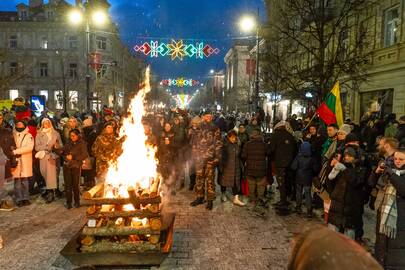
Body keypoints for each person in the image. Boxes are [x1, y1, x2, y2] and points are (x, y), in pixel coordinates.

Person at [369, 148, 405, 269]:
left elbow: (403, 189)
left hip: (400, 221)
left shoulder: (393, 174)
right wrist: (376, 172)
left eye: (401, 159)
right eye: (395, 159)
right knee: (382, 248)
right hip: (384, 217)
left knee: (396, 253)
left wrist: (391, 174)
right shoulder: (390, 172)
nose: (397, 161)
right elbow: (371, 184)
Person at [327, 147, 367, 239]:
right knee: (332, 233)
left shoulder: (360, 169)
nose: (347, 158)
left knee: (348, 235)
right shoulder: (341, 166)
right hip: (337, 204)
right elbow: (330, 181)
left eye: (350, 156)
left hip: (351, 205)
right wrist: (331, 167)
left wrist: (345, 170)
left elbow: (355, 182)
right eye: (346, 156)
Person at [190, 110, 222, 210]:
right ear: (203, 117)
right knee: (199, 178)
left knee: (210, 180)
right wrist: (194, 154)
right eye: (206, 116)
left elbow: (218, 143)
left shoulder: (215, 128)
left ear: (211, 117)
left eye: (210, 116)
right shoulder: (198, 126)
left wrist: (217, 157)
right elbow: (194, 142)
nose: (208, 117)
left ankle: (210, 200)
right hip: (199, 157)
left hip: (210, 158)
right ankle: (199, 197)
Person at [269, 120, 297, 214]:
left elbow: (271, 149)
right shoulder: (290, 136)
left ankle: (283, 201)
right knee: (287, 181)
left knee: (281, 182)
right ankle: (287, 198)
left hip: (280, 163)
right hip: (290, 164)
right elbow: (295, 150)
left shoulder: (275, 135)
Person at [35, 118, 62, 203]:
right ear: (42, 124)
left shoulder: (56, 133)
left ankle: (51, 192)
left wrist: (57, 146)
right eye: (45, 123)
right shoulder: (39, 134)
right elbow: (36, 147)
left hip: (54, 156)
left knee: (54, 174)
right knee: (46, 174)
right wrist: (46, 147)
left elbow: (61, 144)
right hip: (44, 157)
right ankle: (50, 190)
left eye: (48, 123)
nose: (46, 124)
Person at [59, 129, 88, 209]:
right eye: (70, 136)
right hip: (67, 166)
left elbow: (84, 155)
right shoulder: (68, 142)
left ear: (78, 135)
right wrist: (65, 157)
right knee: (68, 185)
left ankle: (77, 201)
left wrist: (73, 157)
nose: (72, 137)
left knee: (76, 185)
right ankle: (69, 202)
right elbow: (63, 152)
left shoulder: (82, 143)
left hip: (76, 166)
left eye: (73, 136)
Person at [242, 130, 269, 210]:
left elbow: (243, 156)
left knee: (251, 184)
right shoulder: (264, 145)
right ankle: (260, 198)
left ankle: (252, 199)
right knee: (260, 184)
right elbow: (268, 153)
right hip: (261, 169)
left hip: (250, 168)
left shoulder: (247, 144)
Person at [290, 141, 318, 217]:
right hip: (308, 178)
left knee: (298, 193)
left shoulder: (298, 157)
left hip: (298, 177)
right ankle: (309, 210)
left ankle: (298, 207)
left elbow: (293, 167)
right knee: (308, 193)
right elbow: (316, 169)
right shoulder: (312, 158)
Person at [12, 120, 35, 207]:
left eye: (21, 124)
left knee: (25, 181)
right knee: (17, 181)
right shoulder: (12, 135)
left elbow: (29, 147)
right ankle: (19, 199)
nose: (19, 125)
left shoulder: (29, 135)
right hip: (16, 160)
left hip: (25, 160)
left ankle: (26, 198)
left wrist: (15, 151)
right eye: (18, 124)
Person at [219, 130, 245, 206]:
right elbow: (220, 156)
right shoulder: (224, 144)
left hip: (236, 166)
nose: (234, 139)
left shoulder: (238, 144)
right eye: (232, 137)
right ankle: (223, 194)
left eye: (235, 137)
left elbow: (240, 155)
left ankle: (236, 199)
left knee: (236, 182)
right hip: (226, 166)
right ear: (228, 137)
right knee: (223, 181)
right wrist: (221, 166)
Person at [0, 112, 16, 211]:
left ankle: (1, 201)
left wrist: (13, 160)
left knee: (2, 183)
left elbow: (12, 146)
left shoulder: (7, 131)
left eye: (0, 117)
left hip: (3, 161)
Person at [187, 116, 202, 191]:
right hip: (191, 152)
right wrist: (189, 135)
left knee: (198, 169)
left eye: (196, 123)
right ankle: (192, 183)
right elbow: (187, 141)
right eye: (193, 123)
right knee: (191, 168)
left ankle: (197, 184)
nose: (194, 124)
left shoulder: (200, 130)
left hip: (199, 153)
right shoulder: (189, 130)